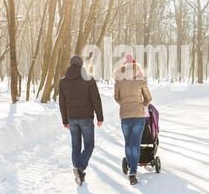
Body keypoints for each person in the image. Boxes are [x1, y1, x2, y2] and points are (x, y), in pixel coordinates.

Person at [59, 55, 104, 186]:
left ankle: (79, 174)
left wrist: (64, 120)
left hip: (72, 118)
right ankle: (79, 168)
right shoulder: (88, 79)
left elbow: (62, 103)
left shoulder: (63, 81)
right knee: (89, 145)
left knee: (76, 146)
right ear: (81, 65)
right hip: (86, 117)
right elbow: (96, 99)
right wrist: (100, 117)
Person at [113, 53, 152, 185]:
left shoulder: (119, 80)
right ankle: (133, 172)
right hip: (138, 116)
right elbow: (148, 98)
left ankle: (131, 166)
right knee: (135, 143)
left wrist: (124, 104)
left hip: (125, 116)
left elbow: (117, 98)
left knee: (128, 143)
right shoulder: (140, 79)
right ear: (135, 66)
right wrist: (143, 104)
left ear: (124, 66)